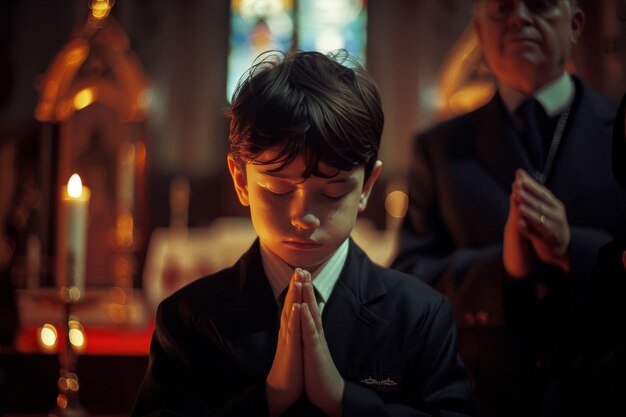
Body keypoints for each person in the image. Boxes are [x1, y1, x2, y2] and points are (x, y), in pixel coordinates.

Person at [132, 50, 476, 417]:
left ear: (366, 187)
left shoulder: (420, 315)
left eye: (332, 192)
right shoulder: (188, 319)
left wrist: (343, 401)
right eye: (278, 191)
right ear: (241, 179)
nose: (304, 217)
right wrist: (269, 398)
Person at [391, 1, 626, 416]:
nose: (519, 17)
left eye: (538, 4)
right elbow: (409, 275)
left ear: (574, 24)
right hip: (483, 395)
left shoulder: (620, 131)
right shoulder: (440, 149)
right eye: (501, 7)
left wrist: (574, 248)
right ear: (481, 34)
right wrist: (502, 268)